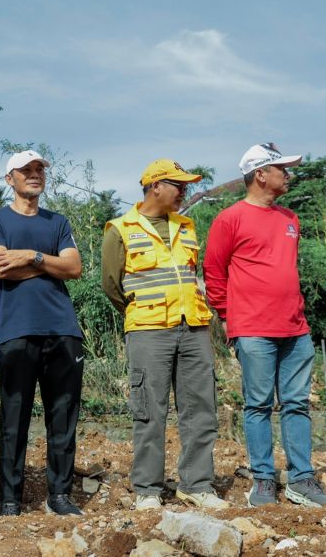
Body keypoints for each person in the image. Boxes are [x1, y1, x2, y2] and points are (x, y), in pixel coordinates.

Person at [204, 143, 326, 508]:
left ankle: (301, 479)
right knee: (258, 405)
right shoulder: (229, 218)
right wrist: (229, 318)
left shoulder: (290, 218)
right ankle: (263, 480)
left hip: (296, 328)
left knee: (297, 404)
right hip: (253, 329)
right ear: (260, 174)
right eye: (282, 168)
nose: (288, 174)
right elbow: (214, 273)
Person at [102, 159, 226, 511]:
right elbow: (111, 285)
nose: (184, 189)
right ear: (156, 186)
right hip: (148, 331)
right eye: (178, 183)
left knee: (201, 409)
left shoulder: (186, 225)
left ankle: (197, 485)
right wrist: (143, 310)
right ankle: (148, 490)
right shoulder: (120, 228)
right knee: (148, 412)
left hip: (193, 328)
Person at [0, 150, 85, 517]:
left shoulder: (58, 221)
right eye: (26, 170)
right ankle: (10, 499)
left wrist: (31, 257)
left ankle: (59, 496)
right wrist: (49, 263)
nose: (35, 174)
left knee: (63, 417)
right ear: (10, 179)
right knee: (14, 418)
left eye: (40, 168)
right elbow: (1, 269)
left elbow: (74, 268)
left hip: (63, 330)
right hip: (17, 331)